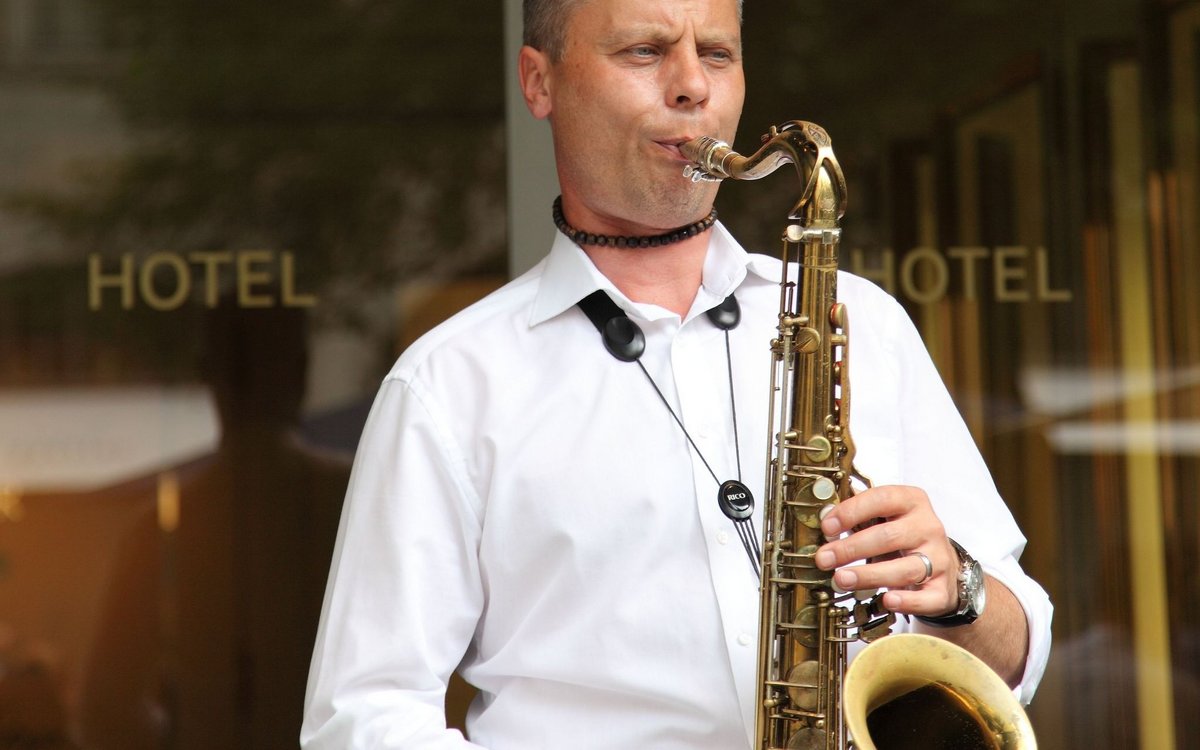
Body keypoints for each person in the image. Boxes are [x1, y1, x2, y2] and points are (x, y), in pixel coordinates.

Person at [300, 0, 1053, 747]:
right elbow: (361, 719)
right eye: (644, 51)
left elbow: (1022, 649)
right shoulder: (449, 384)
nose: (693, 85)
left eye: (717, 54)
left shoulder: (864, 322)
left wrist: (958, 589)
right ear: (539, 82)